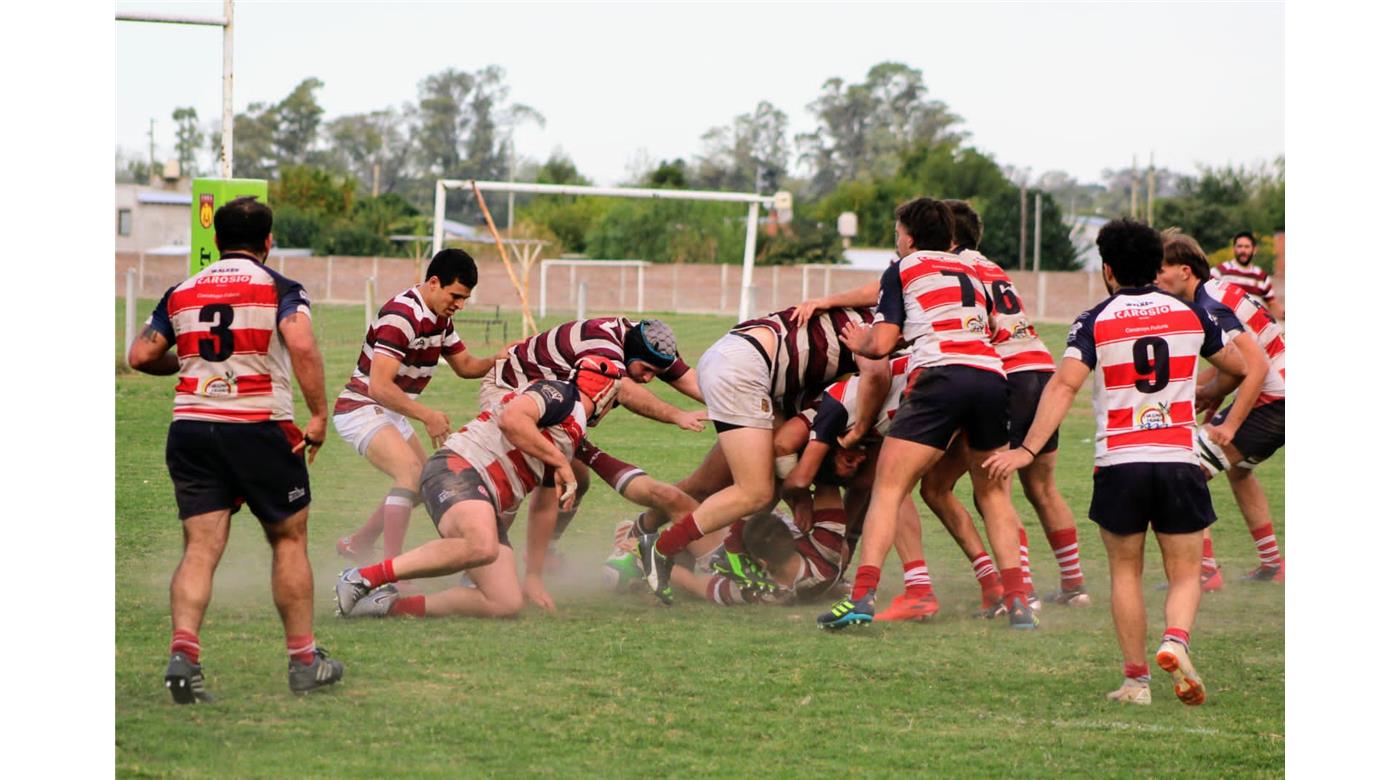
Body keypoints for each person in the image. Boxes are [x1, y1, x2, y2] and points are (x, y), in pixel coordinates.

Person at [985, 218, 1262, 706]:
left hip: (1120, 463)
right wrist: (1204, 393)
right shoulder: (1189, 314)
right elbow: (1239, 368)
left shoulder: (1094, 320)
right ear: (1157, 265)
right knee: (1184, 573)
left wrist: (1026, 450)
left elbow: (1064, 385)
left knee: (1124, 574)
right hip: (1179, 459)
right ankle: (1175, 639)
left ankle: (1136, 682)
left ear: (1107, 269)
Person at [128, 196, 344, 703]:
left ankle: (184, 655)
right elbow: (303, 343)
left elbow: (141, 355)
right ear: (268, 242)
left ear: (217, 242)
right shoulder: (280, 288)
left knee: (200, 548)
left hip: (192, 427)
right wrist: (317, 415)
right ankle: (304, 662)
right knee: (288, 539)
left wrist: (189, 367)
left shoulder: (181, 291)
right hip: (258, 427)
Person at [814, 198, 1031, 630]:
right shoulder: (971, 268)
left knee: (889, 486)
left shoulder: (903, 268)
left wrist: (860, 340)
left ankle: (862, 598)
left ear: (909, 237)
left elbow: (882, 342)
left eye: (897, 233)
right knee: (994, 495)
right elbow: (988, 326)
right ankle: (1020, 602)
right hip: (990, 377)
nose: (896, 241)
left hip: (942, 377)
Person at [634, 304, 889, 605]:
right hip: (744, 372)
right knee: (753, 492)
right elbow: (785, 446)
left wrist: (801, 495)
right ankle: (659, 547)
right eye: (853, 453)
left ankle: (648, 541)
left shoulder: (872, 339)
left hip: (740, 364)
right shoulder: (853, 383)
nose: (857, 459)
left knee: (737, 488)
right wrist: (802, 497)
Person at [334, 357, 625, 620]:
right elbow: (511, 419)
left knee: (505, 602)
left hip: (478, 491)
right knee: (481, 545)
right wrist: (561, 462)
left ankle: (387, 606)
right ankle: (360, 578)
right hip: (458, 467)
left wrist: (534, 576)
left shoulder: (571, 427)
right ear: (605, 396)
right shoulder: (562, 394)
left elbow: (543, 505)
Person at [920, 200, 1088, 609]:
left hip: (1006, 375)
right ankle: (1074, 585)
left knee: (991, 490)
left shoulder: (955, 268)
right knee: (1042, 487)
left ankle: (1022, 589)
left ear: (949, 236)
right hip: (1039, 369)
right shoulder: (992, 265)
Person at [332, 249, 503, 566]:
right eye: (456, 296)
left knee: (425, 483)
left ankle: (359, 544)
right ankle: (390, 573)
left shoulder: (441, 318)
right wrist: (428, 416)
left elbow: (465, 366)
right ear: (434, 282)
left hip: (387, 409)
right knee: (411, 474)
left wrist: (500, 359)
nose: (460, 305)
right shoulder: (403, 316)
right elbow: (379, 386)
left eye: (465, 298)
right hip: (360, 407)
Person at [481, 317, 707, 552]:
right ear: (632, 354)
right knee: (521, 478)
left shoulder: (648, 341)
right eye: (646, 370)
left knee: (577, 481)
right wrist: (678, 415)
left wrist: (737, 408)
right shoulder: (605, 349)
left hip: (550, 398)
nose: (649, 379)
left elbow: (688, 379)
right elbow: (625, 391)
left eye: (655, 373)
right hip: (509, 391)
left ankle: (543, 553)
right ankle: (484, 560)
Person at [1155, 229, 1282, 585]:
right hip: (1283, 397)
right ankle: (1273, 564)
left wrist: (1229, 424)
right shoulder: (1216, 291)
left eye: (1161, 269)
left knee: (1186, 467)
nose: (1156, 278)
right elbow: (1235, 363)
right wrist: (1210, 391)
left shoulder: (1208, 304)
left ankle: (1205, 570)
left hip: (1276, 401)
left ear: (1184, 270)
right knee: (1240, 471)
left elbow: (1254, 367)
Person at [1211, 231, 1284, 321]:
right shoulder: (1219, 272)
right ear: (1234, 249)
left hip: (1252, 330)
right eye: (1239, 246)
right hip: (1225, 328)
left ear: (1254, 250)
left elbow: (1271, 304)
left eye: (1247, 247)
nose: (1243, 250)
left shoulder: (1262, 277)